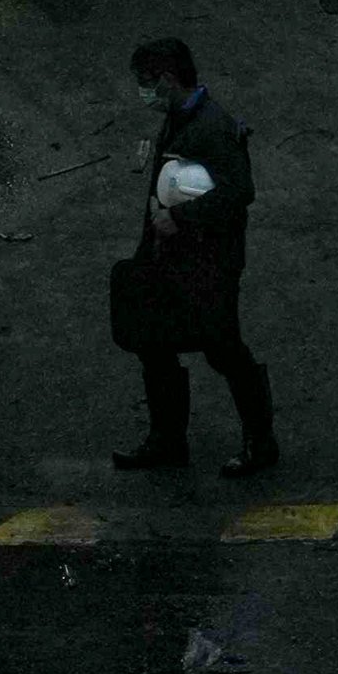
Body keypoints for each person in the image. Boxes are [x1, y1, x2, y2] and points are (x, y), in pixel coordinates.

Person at [116, 37, 278, 477]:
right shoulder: (179, 116)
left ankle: (261, 442)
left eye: (146, 82)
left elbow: (240, 191)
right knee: (154, 345)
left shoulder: (213, 127)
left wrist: (180, 218)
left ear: (168, 79)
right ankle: (166, 440)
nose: (143, 91)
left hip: (209, 264)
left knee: (224, 350)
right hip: (167, 256)